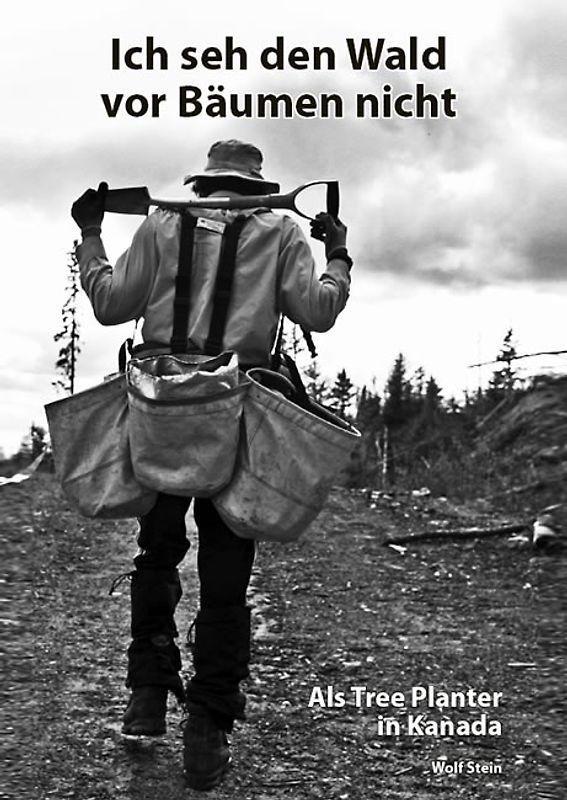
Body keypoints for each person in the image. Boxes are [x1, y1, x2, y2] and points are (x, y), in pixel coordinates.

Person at [71, 139, 353, 791]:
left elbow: (111, 303)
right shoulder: (283, 231)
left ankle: (145, 696)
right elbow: (319, 311)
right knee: (226, 574)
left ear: (203, 183)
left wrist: (90, 233)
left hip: (158, 407)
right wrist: (335, 251)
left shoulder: (160, 223)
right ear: (257, 184)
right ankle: (208, 730)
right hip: (240, 409)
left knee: (157, 551)